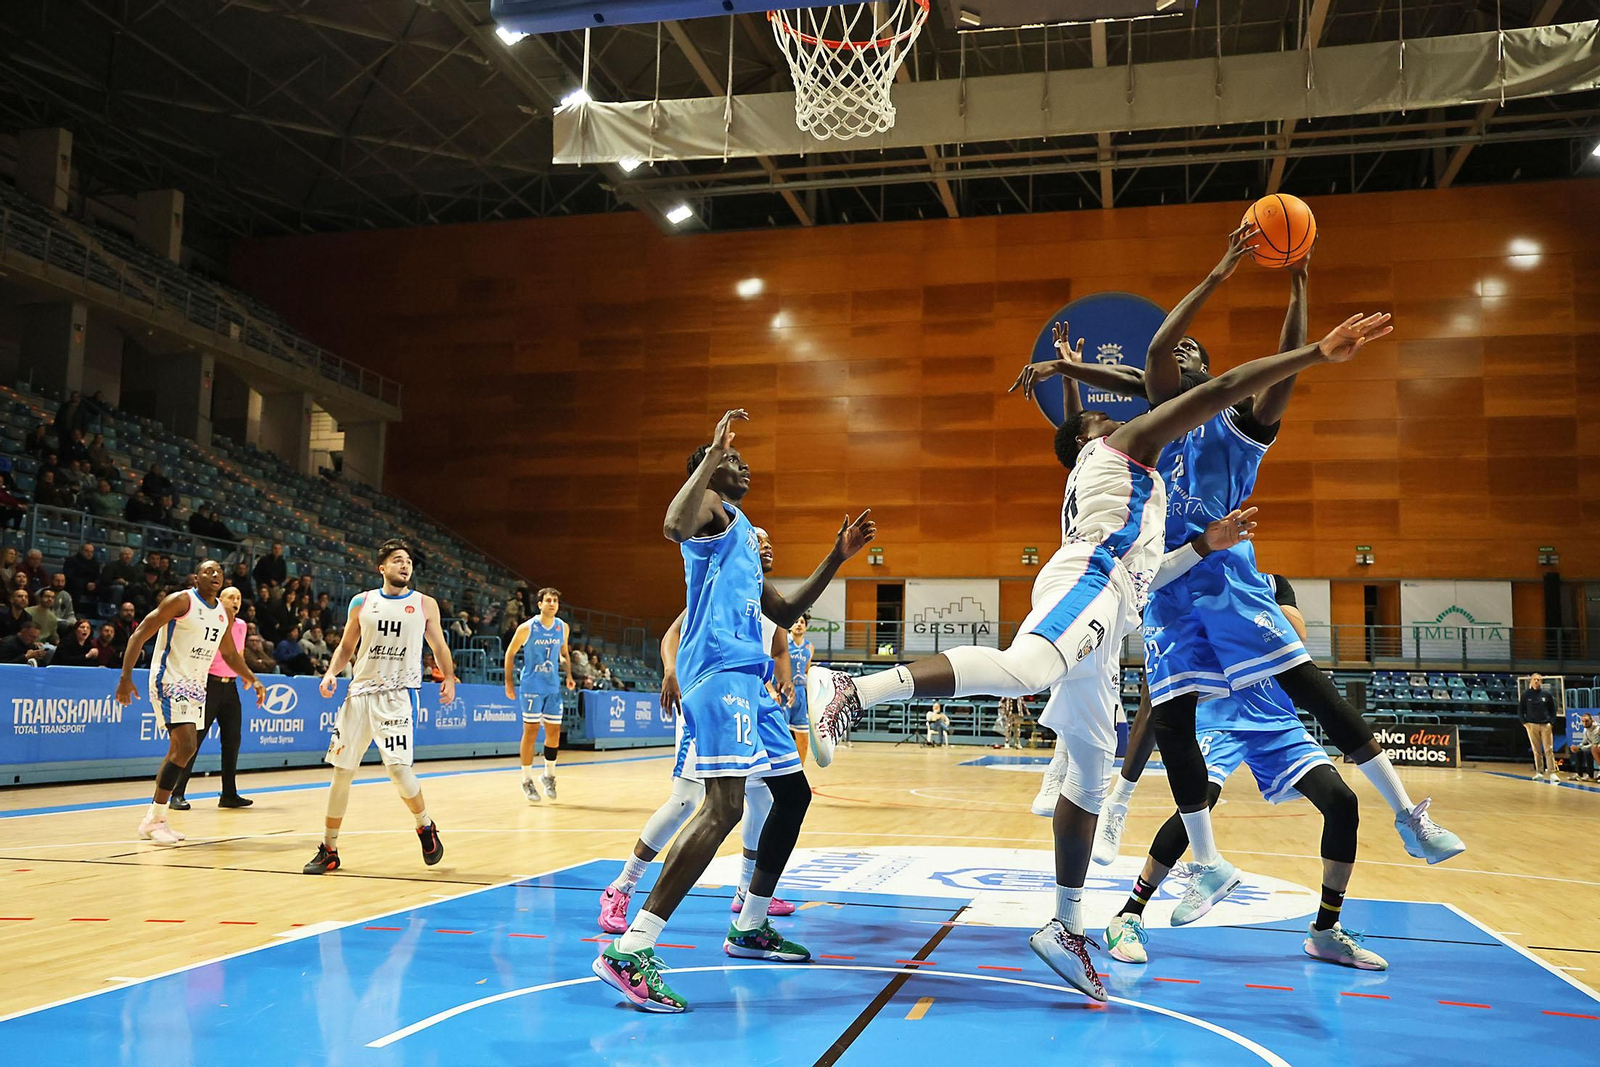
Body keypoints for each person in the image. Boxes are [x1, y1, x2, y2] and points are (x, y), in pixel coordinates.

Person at [807, 311, 1391, 1002]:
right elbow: (1204, 384)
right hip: (1090, 575)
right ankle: (852, 689)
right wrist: (1311, 353)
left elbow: (1161, 555)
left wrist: (1206, 539)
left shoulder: (1120, 465)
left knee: (1088, 776)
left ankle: (1066, 924)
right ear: (1092, 437)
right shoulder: (1123, 450)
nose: (1118, 417)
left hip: (1115, 608)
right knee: (1025, 668)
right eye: (1100, 420)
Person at [1042, 233, 1463, 876]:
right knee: (1170, 725)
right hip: (1164, 589)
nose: (1177, 353)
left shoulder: (1238, 426)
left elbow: (1282, 369)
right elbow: (1152, 353)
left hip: (1228, 583)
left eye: (1191, 352)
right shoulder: (1150, 426)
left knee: (1311, 691)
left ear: (1206, 373)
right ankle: (1197, 858)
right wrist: (1220, 271)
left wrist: (1298, 288)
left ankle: (1408, 815)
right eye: (1173, 354)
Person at [594, 409, 875, 1014]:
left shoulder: (745, 530)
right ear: (710, 472)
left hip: (748, 679)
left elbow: (785, 606)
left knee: (792, 793)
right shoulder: (707, 516)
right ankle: (632, 946)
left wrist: (837, 557)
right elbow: (671, 524)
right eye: (733, 460)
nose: (744, 466)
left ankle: (748, 924)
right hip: (716, 671)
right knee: (720, 804)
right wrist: (707, 459)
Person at [598, 528, 797, 936]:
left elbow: (779, 649)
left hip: (748, 702)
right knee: (686, 801)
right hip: (708, 697)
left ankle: (746, 889)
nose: (765, 544)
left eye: (768, 539)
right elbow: (673, 635)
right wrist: (671, 671)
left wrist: (783, 679)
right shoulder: (718, 587)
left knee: (762, 796)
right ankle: (621, 887)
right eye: (756, 538)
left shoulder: (769, 602)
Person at [303, 539, 455, 875]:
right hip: (359, 696)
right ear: (381, 567)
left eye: (409, 562)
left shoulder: (425, 604)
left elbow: (440, 644)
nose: (405, 566)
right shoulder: (362, 601)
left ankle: (424, 825)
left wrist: (449, 677)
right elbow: (346, 646)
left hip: (397, 695)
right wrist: (330, 672)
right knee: (342, 774)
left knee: (399, 771)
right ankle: (329, 848)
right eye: (398, 560)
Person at [114, 560, 265, 844]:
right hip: (170, 679)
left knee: (180, 750)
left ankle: (154, 818)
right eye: (209, 571)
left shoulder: (223, 614)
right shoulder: (181, 601)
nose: (216, 575)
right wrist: (125, 677)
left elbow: (230, 655)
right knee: (186, 745)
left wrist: (252, 678)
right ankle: (155, 817)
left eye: (219, 571)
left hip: (197, 685)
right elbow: (139, 634)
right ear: (196, 578)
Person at [169, 586, 252, 809]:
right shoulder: (212, 621)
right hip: (208, 685)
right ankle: (177, 793)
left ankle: (229, 794)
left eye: (239, 597)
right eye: (231, 597)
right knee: (193, 741)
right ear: (220, 600)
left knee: (232, 740)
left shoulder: (242, 625)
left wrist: (244, 674)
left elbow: (238, 654)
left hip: (231, 686)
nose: (236, 601)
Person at [502, 587, 575, 802]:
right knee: (531, 730)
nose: (552, 603)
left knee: (554, 733)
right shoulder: (527, 628)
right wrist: (509, 683)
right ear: (540, 604)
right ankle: (526, 779)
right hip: (531, 686)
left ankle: (548, 775)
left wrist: (569, 674)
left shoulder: (562, 627)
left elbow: (564, 653)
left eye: (555, 601)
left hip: (552, 686)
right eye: (548, 600)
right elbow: (510, 653)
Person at [1520, 673, 1561, 783]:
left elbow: (1553, 709)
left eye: (1538, 679)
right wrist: (1525, 723)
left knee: (1549, 749)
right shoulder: (1526, 695)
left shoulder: (1546, 694)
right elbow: (1521, 710)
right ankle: (1539, 772)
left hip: (1545, 725)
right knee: (1536, 750)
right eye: (1535, 679)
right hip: (1532, 725)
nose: (1536, 681)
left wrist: (1551, 722)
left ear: (1541, 681)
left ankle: (1552, 772)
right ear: (1531, 681)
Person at [786, 614, 815, 763]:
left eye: (802, 622)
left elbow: (806, 671)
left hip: (800, 694)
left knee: (803, 740)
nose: (798, 624)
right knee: (782, 738)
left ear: (806, 627)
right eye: (795, 621)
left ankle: (800, 773)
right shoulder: (782, 642)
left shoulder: (809, 647)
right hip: (784, 693)